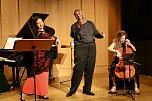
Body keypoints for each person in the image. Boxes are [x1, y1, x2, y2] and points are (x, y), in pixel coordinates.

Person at [66, 9, 105, 97]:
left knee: (90, 69)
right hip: (80, 47)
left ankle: (87, 89)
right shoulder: (74, 26)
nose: (78, 15)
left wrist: (101, 35)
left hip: (91, 47)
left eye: (79, 13)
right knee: (78, 69)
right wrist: (79, 24)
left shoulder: (90, 23)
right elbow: (73, 35)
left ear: (82, 13)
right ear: (75, 16)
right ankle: (72, 90)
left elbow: (96, 33)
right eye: (76, 14)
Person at [20, 16, 59, 101]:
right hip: (39, 57)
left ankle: (43, 93)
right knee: (34, 76)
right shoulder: (38, 33)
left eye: (41, 22)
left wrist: (55, 39)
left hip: (46, 57)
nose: (41, 24)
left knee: (44, 75)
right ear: (35, 25)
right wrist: (55, 38)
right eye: (38, 23)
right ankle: (23, 94)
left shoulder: (44, 32)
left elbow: (50, 38)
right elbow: (47, 37)